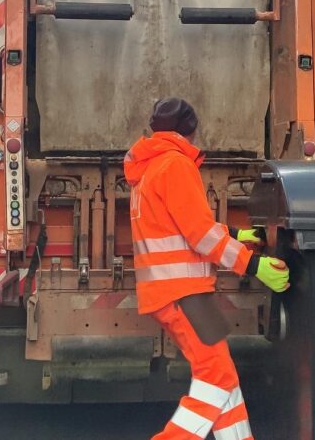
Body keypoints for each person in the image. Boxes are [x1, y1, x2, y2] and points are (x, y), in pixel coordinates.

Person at [124, 97, 291, 440]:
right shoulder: (176, 165)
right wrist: (253, 263)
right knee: (215, 377)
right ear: (191, 129)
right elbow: (199, 235)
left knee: (222, 373)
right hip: (185, 293)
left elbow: (182, 226)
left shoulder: (150, 169)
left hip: (172, 291)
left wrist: (236, 234)